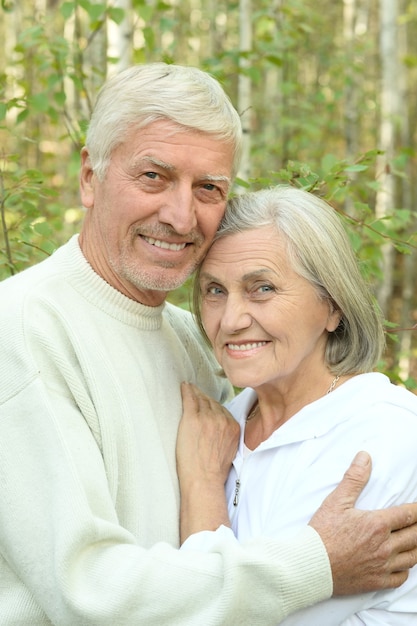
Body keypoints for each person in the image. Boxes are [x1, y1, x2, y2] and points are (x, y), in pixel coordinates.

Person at [0, 64, 416, 626]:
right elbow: (86, 592)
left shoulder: (194, 341)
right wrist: (316, 561)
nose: (179, 215)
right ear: (89, 177)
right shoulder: (24, 329)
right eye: (153, 176)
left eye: (208, 189)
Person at [182, 184, 417, 624]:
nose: (230, 320)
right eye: (215, 290)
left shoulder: (386, 437)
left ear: (332, 306)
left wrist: (200, 490)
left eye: (262, 288)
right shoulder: (222, 425)